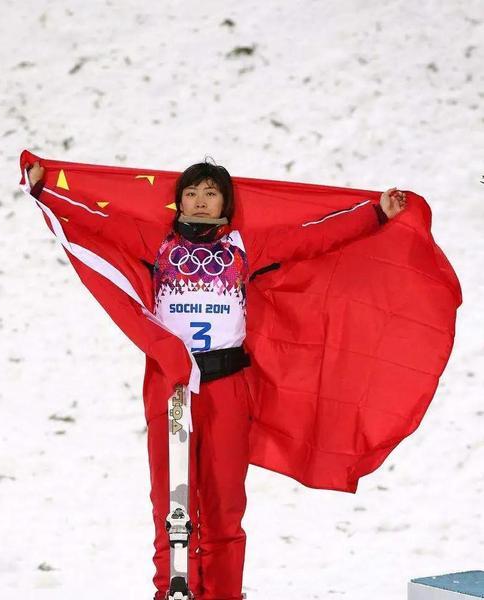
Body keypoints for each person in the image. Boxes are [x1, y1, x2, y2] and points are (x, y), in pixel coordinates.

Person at [25, 159, 407, 600]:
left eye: (211, 193)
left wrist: (375, 213)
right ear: (179, 200)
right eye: (191, 192)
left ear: (226, 202)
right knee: (172, 503)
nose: (201, 202)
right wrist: (45, 193)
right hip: (171, 390)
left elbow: (313, 237)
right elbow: (98, 223)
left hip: (227, 386)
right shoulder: (157, 242)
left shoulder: (248, 246)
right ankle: (171, 591)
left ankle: (224, 594)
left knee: (225, 504)